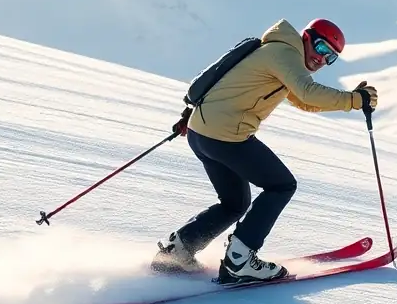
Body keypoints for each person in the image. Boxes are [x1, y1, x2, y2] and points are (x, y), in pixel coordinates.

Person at [152, 17, 378, 284]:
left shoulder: (279, 51)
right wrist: (354, 100)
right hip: (226, 135)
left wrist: (351, 99)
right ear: (306, 37)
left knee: (235, 203)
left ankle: (179, 250)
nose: (322, 59)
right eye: (321, 47)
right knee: (281, 185)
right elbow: (307, 92)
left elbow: (303, 101)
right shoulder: (284, 53)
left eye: (330, 57)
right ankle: (240, 260)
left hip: (203, 133)